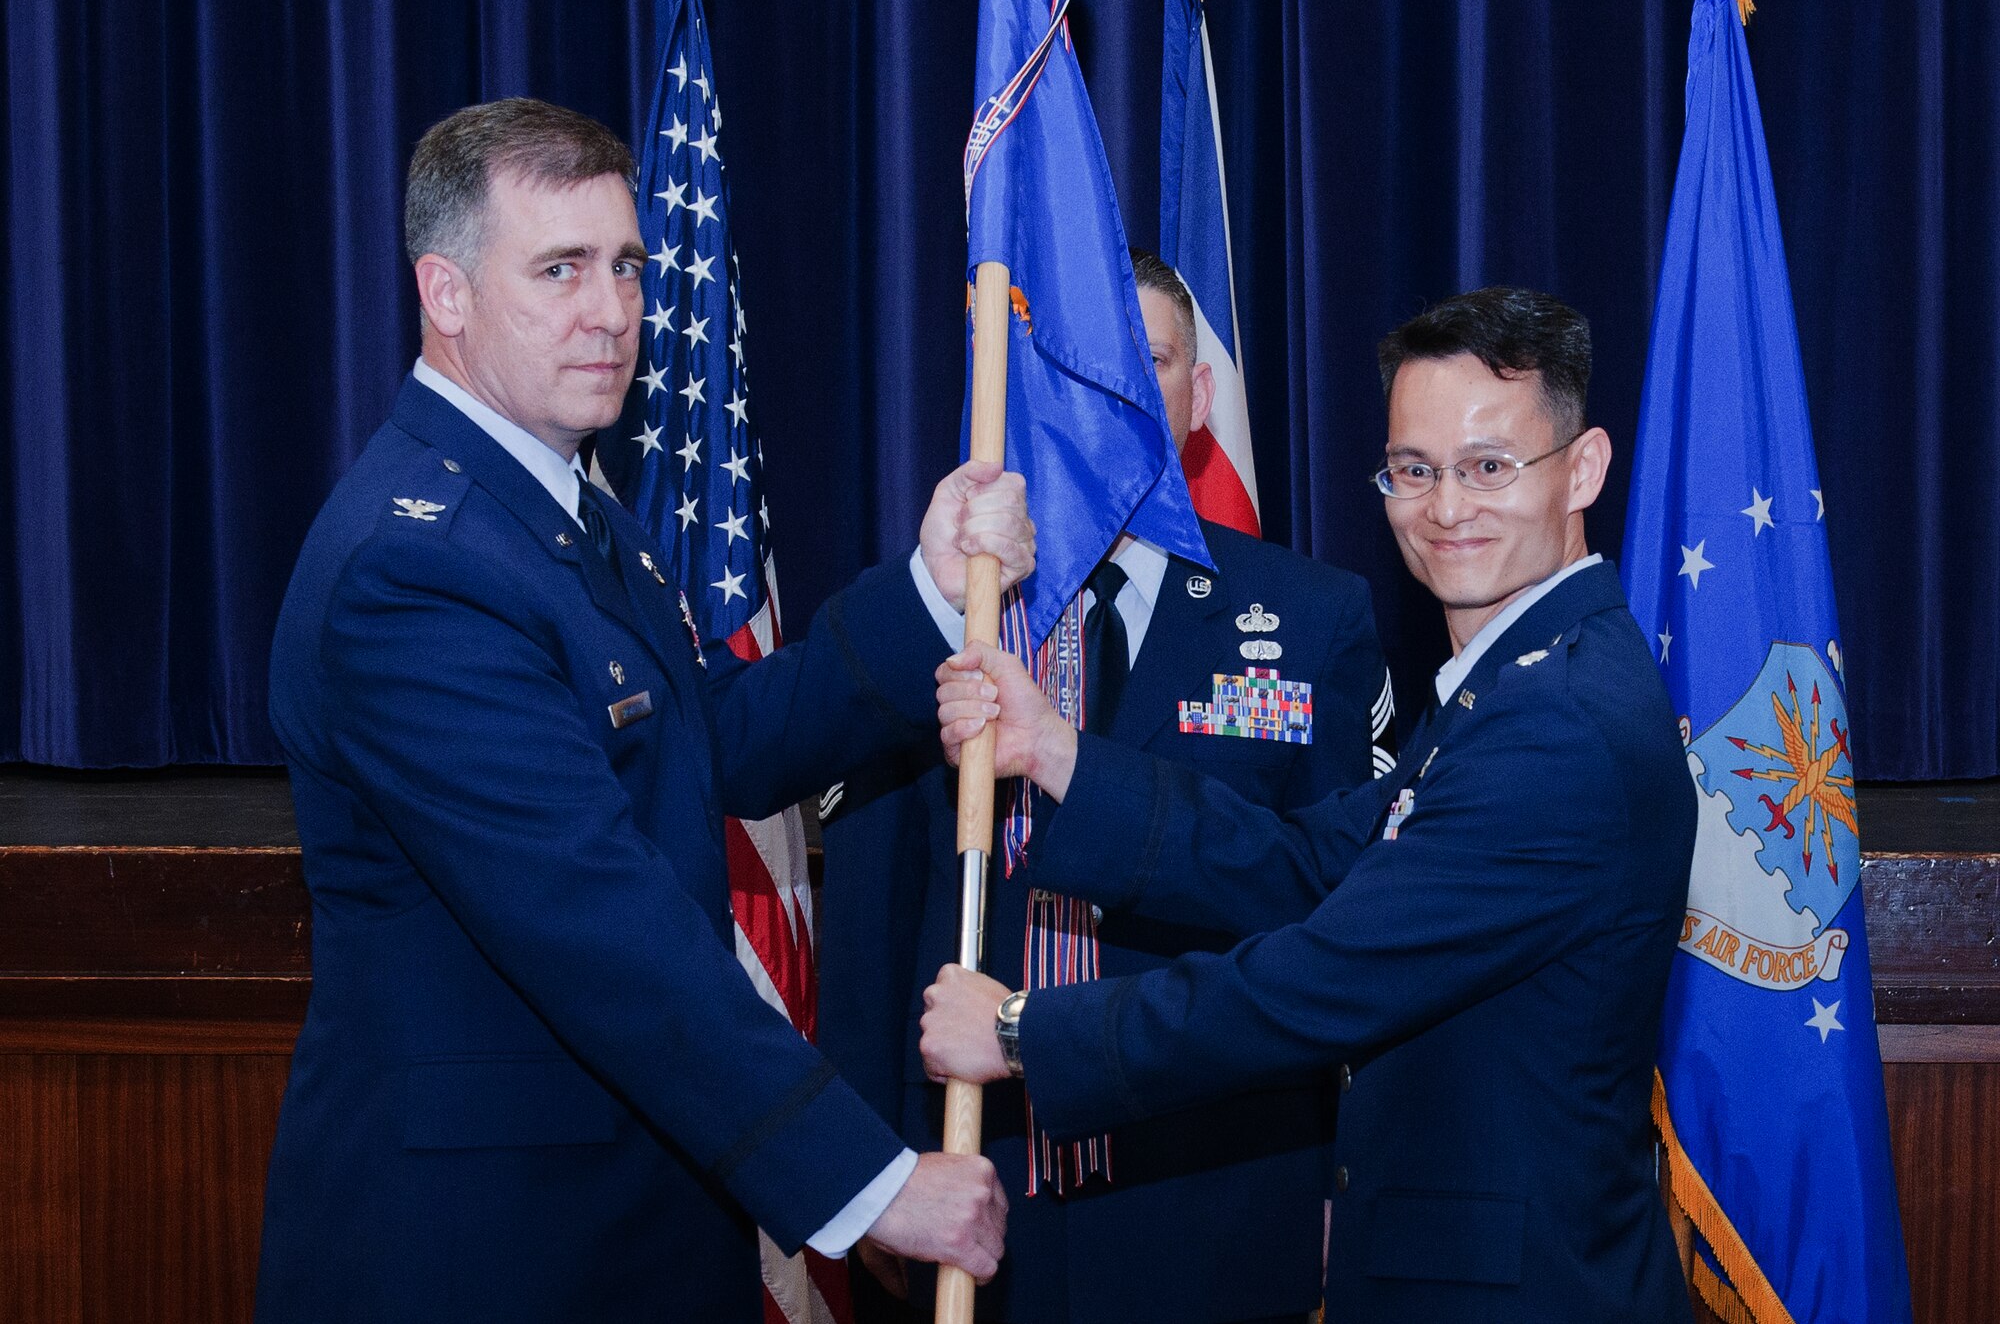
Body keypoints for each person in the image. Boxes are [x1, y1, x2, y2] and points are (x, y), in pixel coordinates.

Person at [258, 98, 1018, 1323]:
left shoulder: (559, 506)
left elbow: (707, 741)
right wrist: (868, 1184)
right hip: (487, 1255)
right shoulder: (415, 566)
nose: (610, 313)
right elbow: (593, 915)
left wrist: (926, 590)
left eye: (623, 267)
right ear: (444, 294)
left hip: (623, 1221)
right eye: (557, 270)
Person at [921, 287, 1698, 1322]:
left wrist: (1023, 1032)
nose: (1445, 508)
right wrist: (1058, 753)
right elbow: (1302, 860)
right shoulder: (1517, 682)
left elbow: (1321, 979)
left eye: (1487, 467)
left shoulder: (1554, 721)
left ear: (1583, 468)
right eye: (1413, 470)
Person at [817, 251, 1392, 1323]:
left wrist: (1338, 1177)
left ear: (1197, 394)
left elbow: (1341, 921)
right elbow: (869, 912)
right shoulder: (948, 603)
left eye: (1149, 363)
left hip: (1214, 1184)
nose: (1112, 402)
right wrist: (870, 1174)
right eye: (1073, 374)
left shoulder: (1313, 618)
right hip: (971, 1189)